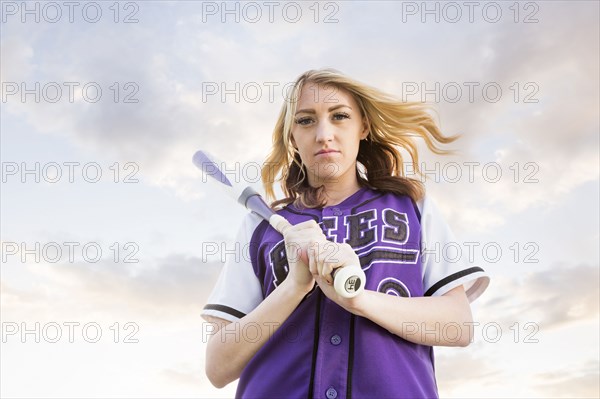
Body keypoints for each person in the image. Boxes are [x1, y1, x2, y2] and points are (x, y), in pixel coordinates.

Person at [201, 68, 490, 399]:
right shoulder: (260, 227)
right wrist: (293, 288)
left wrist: (359, 298)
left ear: (363, 127)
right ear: (291, 136)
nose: (324, 134)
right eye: (306, 121)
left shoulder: (412, 207)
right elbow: (218, 368)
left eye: (339, 117)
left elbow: (458, 325)